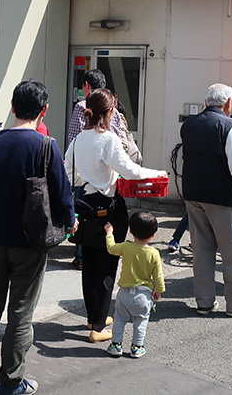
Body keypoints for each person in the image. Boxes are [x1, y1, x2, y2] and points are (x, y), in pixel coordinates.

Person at [0, 80, 76, 395]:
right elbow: (62, 194)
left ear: (12, 107)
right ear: (44, 110)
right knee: (20, 312)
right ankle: (10, 381)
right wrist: (69, 223)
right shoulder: (45, 145)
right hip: (31, 242)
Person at [64, 88, 166, 342]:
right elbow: (128, 170)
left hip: (85, 205)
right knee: (107, 269)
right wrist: (157, 174)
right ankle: (98, 328)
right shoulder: (107, 139)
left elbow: (66, 173)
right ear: (109, 112)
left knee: (90, 267)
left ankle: (93, 316)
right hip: (108, 208)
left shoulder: (78, 140)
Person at [180, 83, 232, 317]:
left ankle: (204, 302)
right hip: (221, 196)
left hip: (193, 194)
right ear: (228, 103)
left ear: (206, 102)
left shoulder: (189, 125)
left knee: (202, 250)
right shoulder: (230, 125)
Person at [67, 69, 123, 270]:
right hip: (108, 171)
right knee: (105, 212)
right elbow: (117, 138)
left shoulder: (82, 106)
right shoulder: (112, 108)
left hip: (86, 172)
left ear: (87, 86)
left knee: (84, 211)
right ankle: (105, 246)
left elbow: (73, 138)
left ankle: (82, 255)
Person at [104, 211, 165, 359]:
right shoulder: (154, 253)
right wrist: (159, 291)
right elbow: (158, 276)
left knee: (119, 319)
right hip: (143, 295)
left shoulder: (126, 247)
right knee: (141, 321)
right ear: (154, 234)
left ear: (130, 231)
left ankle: (116, 345)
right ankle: (137, 347)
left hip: (124, 293)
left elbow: (111, 248)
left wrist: (109, 233)